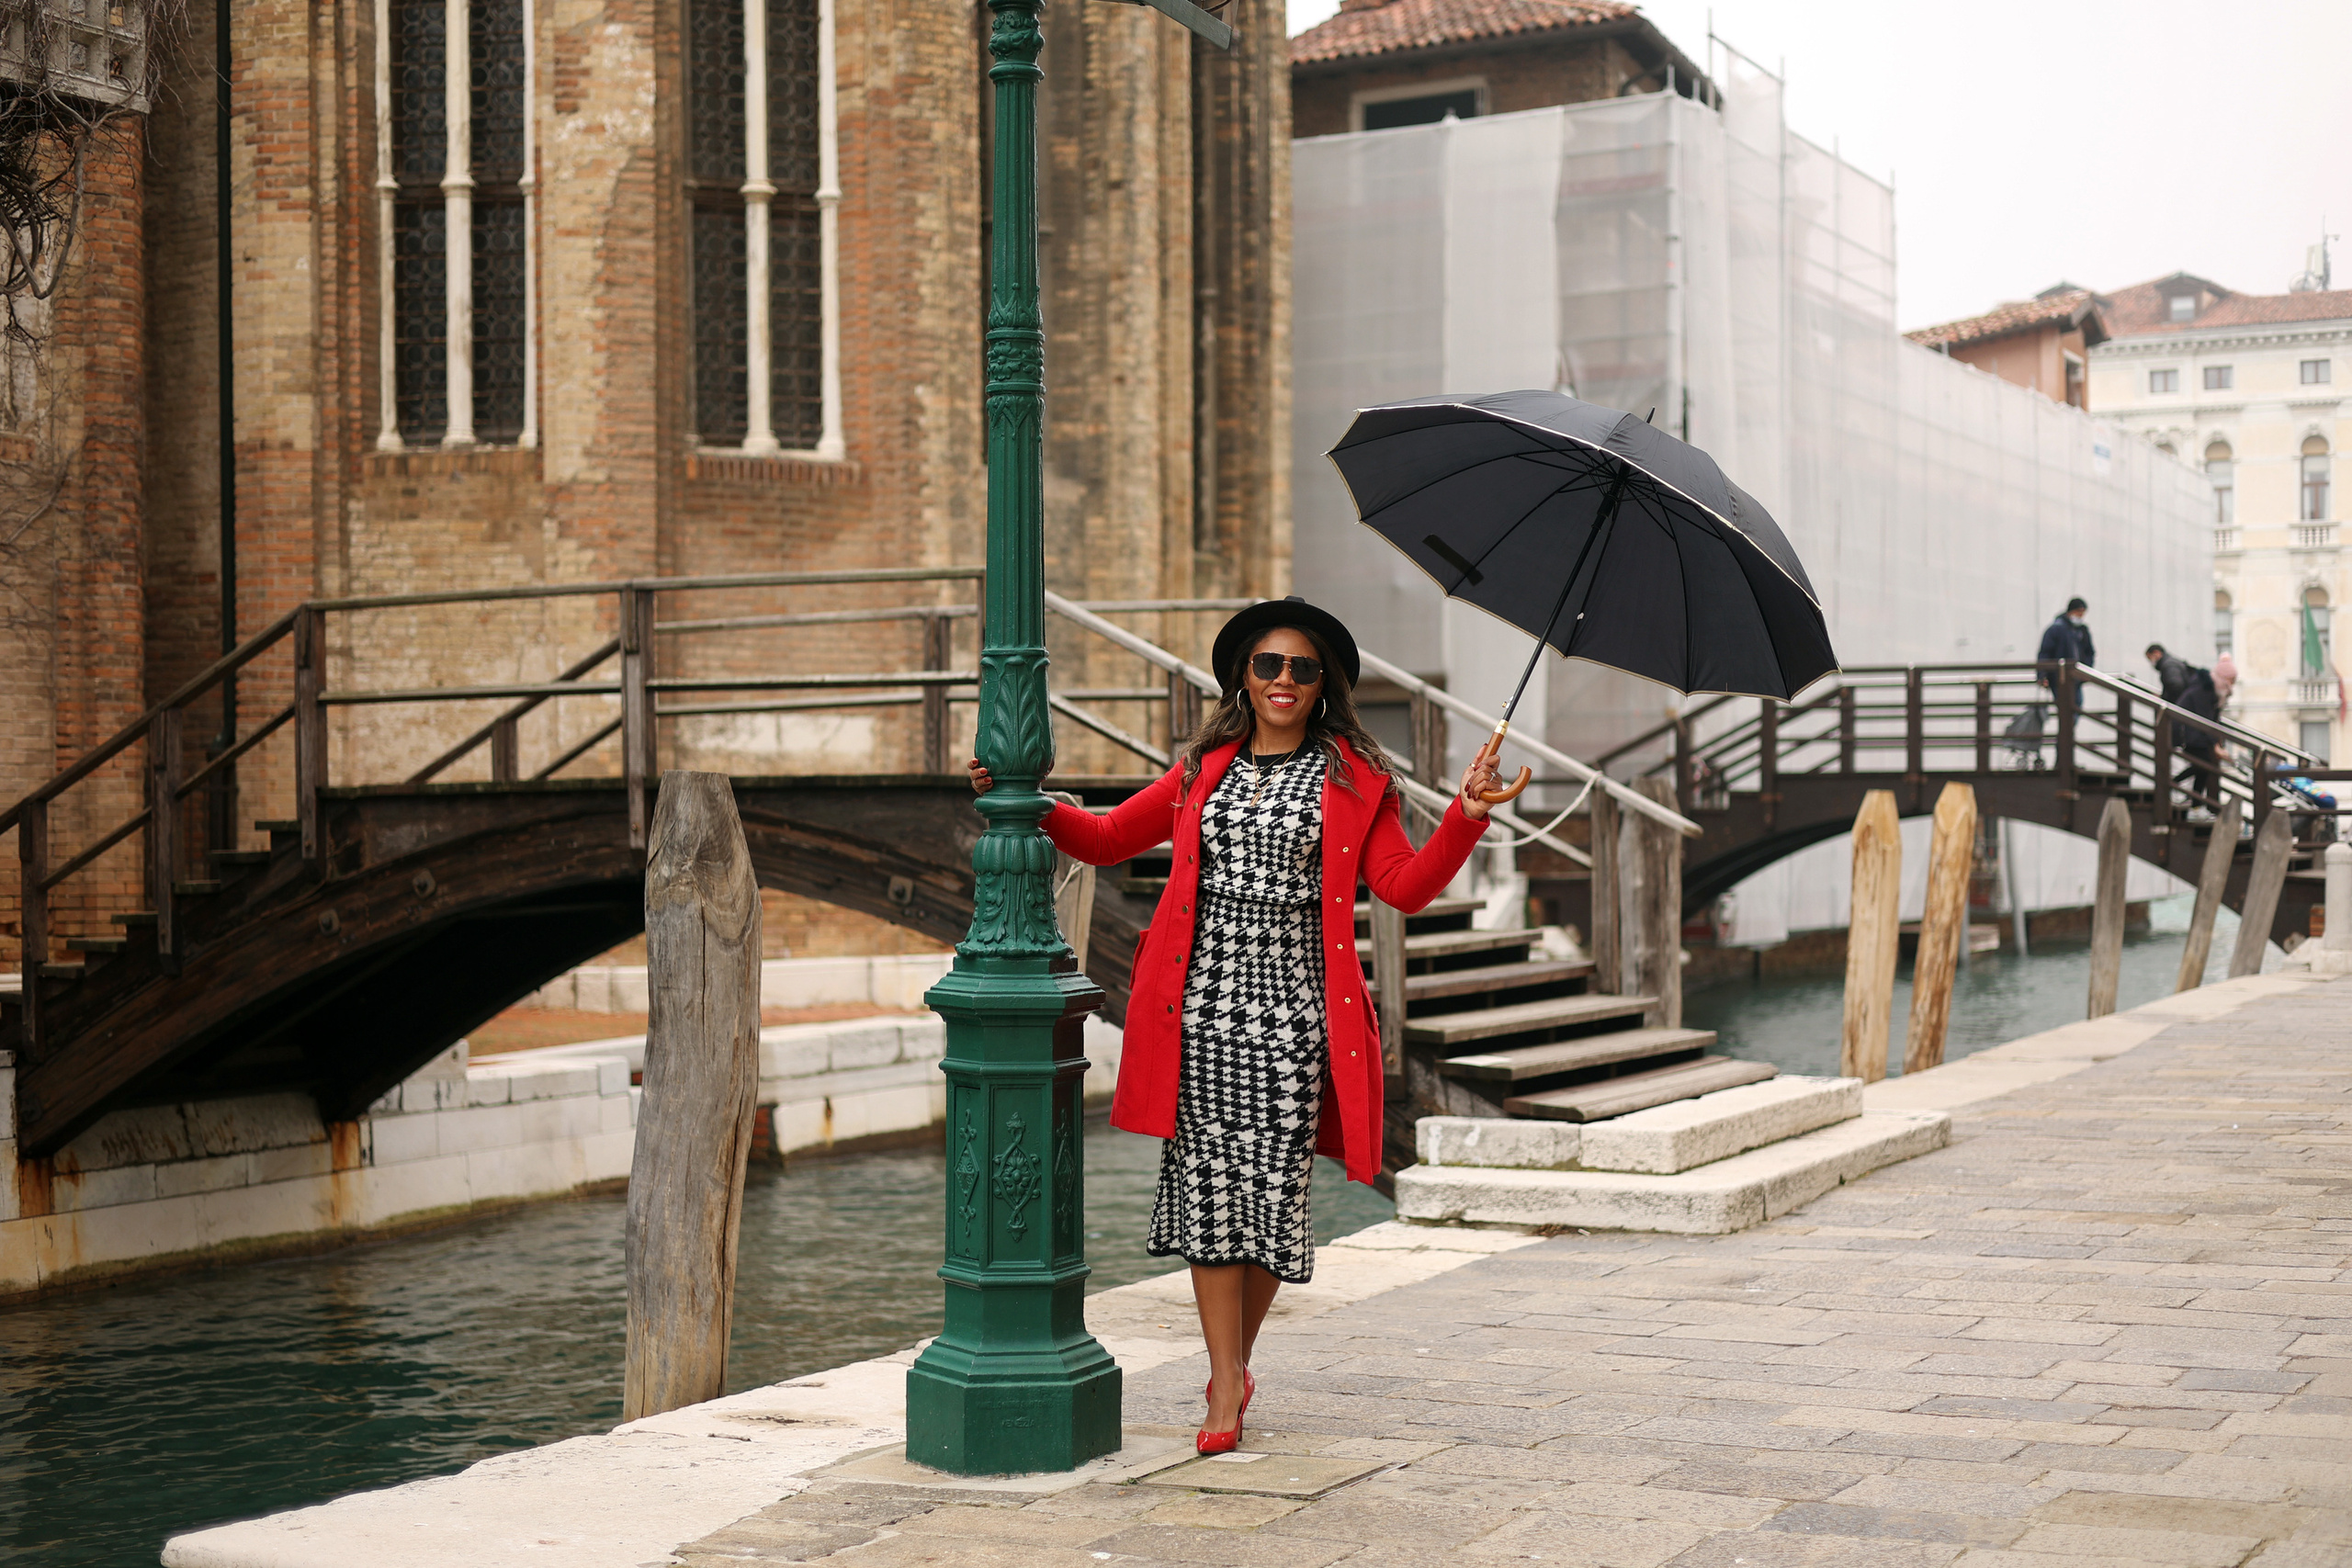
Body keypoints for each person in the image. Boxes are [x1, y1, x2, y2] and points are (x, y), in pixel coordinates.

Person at [967, 596, 1499, 1456]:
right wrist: (1023, 801)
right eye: (1268, 665)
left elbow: (1402, 884)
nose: (1284, 680)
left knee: (1268, 1203)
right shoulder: (1201, 769)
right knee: (1212, 1203)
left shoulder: (1357, 780)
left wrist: (1468, 815)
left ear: (1325, 685)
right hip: (1202, 1011)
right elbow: (1105, 838)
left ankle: (1234, 1363)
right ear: (1241, 679)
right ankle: (1223, 1382)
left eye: (1302, 668)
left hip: (1294, 1018)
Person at [2145, 641, 2221, 793]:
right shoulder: (2174, 664)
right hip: (2190, 726)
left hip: (2183, 723)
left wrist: (2166, 700)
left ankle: (2168, 788)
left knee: (2200, 765)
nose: (2151, 663)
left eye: (2150, 658)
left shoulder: (2168, 666)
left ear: (2156, 654)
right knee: (2202, 765)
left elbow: (2175, 686)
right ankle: (2188, 798)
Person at [2038, 598, 2095, 708]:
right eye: (2078, 612)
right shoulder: (2056, 629)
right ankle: (2067, 725)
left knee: (2076, 705)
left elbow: (2089, 652)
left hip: (2076, 676)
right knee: (2066, 706)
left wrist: (2087, 670)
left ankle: (2068, 725)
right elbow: (2045, 652)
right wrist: (2042, 675)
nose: (2080, 616)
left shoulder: (2082, 630)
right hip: (2059, 676)